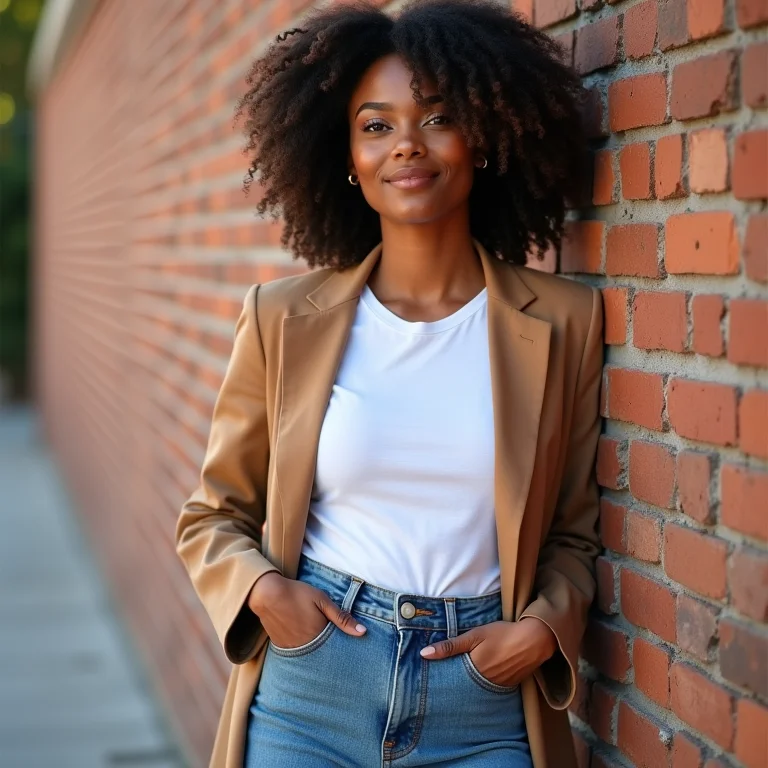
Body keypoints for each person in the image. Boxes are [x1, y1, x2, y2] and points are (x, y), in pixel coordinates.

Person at [175, 0, 604, 766]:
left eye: (437, 117)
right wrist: (267, 596)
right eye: (376, 125)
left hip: (484, 702)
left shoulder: (564, 323)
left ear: (482, 137)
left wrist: (542, 631)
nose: (407, 145)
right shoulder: (281, 319)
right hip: (314, 690)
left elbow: (572, 533)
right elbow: (212, 518)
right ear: (346, 156)